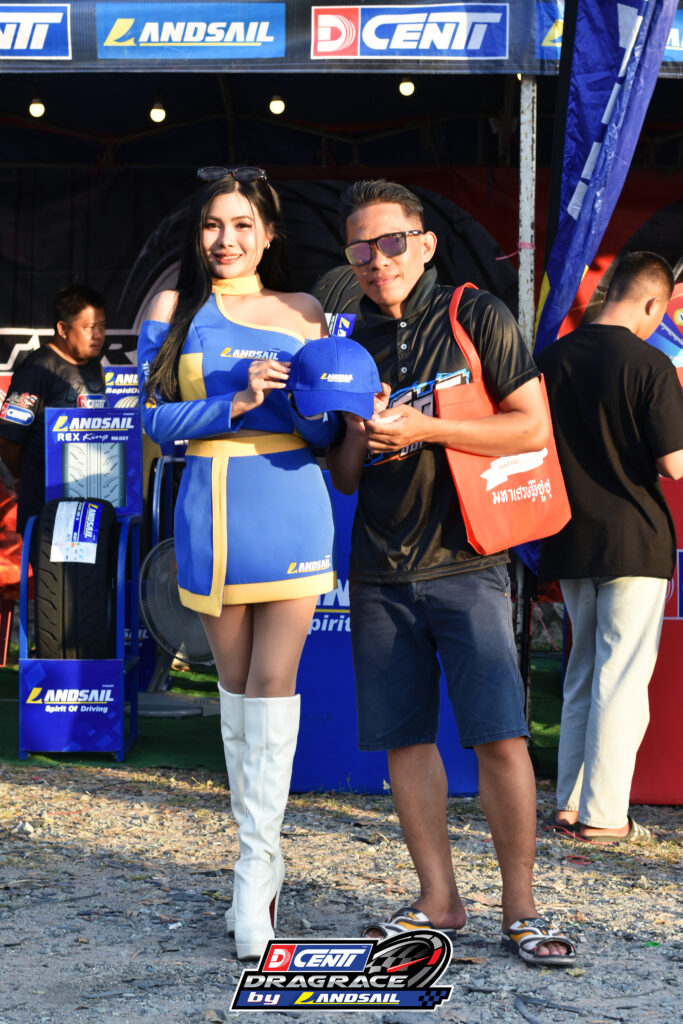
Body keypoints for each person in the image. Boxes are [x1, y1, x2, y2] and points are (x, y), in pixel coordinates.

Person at [326, 178, 574, 965]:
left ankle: (520, 910)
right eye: (360, 249)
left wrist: (425, 428)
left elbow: (529, 427)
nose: (378, 260)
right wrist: (360, 433)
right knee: (405, 742)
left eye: (391, 242)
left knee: (499, 737)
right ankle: (438, 899)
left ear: (424, 245)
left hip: (469, 561)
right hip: (379, 570)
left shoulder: (475, 313)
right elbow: (343, 477)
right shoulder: (348, 345)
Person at [138, 166, 339, 961]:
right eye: (213, 225)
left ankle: (255, 872)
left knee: (273, 683)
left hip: (292, 503)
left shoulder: (306, 310)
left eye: (242, 224)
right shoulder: (172, 309)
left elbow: (324, 433)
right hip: (212, 507)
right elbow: (152, 420)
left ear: (269, 233)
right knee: (234, 690)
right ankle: (257, 857)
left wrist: (316, 403)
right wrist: (236, 402)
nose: (226, 239)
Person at [537, 251, 683, 842]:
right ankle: (604, 816)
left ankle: (570, 804)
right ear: (652, 304)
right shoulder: (651, 364)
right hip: (635, 539)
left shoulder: (550, 359)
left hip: (569, 535)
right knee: (621, 678)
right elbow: (674, 464)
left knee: (583, 672)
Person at [0, 285, 108, 533]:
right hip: (45, 507)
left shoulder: (96, 366)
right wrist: (25, 477)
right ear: (63, 328)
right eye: (89, 327)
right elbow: (7, 440)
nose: (98, 335)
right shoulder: (37, 369)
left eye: (102, 326)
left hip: (90, 503)